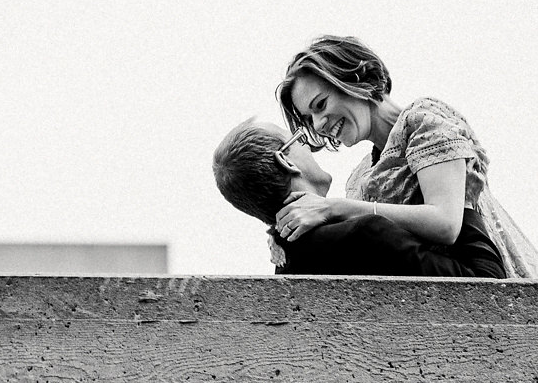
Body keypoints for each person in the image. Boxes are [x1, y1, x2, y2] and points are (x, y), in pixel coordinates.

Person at [274, 35, 538, 279]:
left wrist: (334, 208)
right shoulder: (360, 176)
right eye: (310, 118)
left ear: (355, 78)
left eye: (320, 105)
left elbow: (446, 224)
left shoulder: (424, 121)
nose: (319, 123)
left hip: (477, 277)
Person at [212, 117, 506, 277]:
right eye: (298, 140)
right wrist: (461, 191)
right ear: (286, 161)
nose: (311, 146)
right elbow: (488, 281)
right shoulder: (367, 233)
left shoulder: (286, 263)